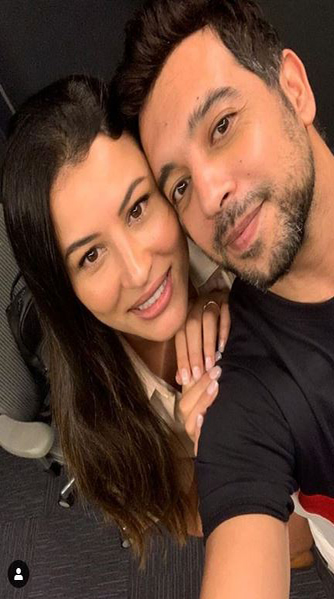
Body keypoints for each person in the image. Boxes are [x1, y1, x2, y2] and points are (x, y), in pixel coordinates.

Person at [112, 0, 334, 597]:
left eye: (222, 126)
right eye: (179, 185)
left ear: (294, 89)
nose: (208, 195)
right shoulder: (239, 391)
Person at [1, 75, 231, 557]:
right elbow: (284, 543)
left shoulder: (234, 237)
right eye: (90, 256)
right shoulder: (99, 434)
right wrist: (227, 465)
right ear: (64, 288)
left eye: (138, 208)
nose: (139, 269)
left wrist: (225, 304)